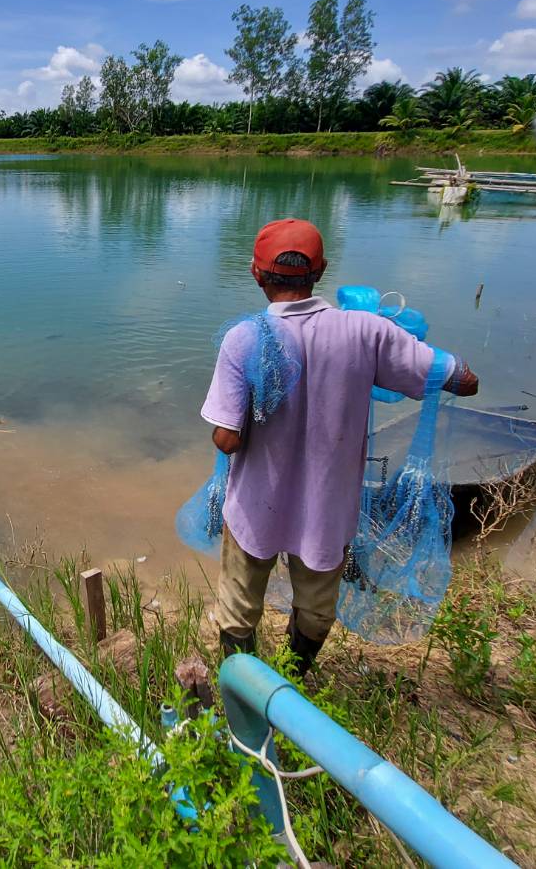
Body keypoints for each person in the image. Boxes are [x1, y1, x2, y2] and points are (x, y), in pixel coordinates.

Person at [201, 218, 479, 673]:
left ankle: (245, 688)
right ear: (322, 270)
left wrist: (259, 401)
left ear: (255, 272)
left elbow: (227, 440)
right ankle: (292, 680)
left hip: (256, 509)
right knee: (315, 611)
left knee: (238, 609)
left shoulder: (244, 338)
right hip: (326, 513)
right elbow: (464, 381)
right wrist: (403, 339)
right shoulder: (368, 332)